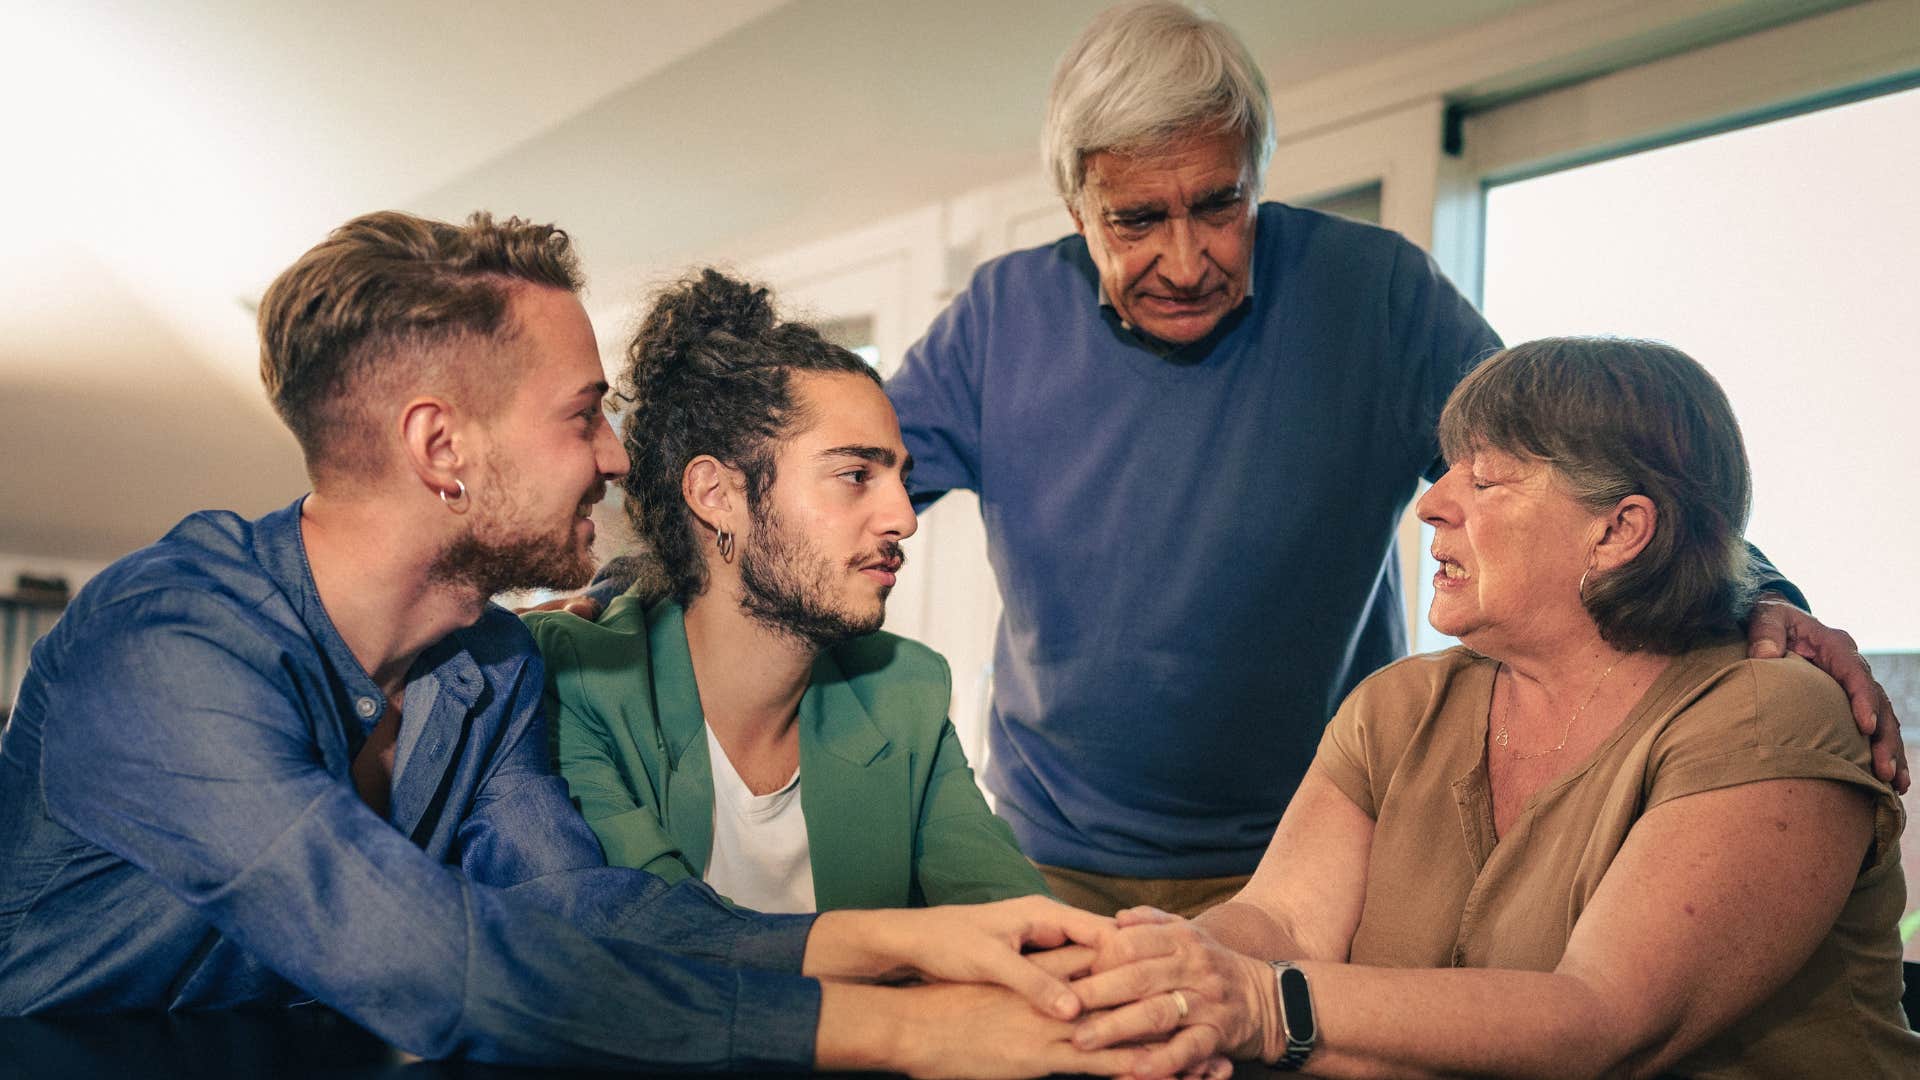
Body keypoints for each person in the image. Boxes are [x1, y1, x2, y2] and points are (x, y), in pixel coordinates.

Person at [0, 210, 1156, 1078]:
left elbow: (591, 910)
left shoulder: (488, 666)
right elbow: (427, 964)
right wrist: (904, 1027)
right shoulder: (164, 647)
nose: (615, 456)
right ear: (441, 447)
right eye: (581, 413)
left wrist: (920, 941)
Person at [881, 0, 1906, 916]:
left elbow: (1586, 475)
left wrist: (1755, 587)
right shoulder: (998, 320)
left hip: (1315, 847)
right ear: (1076, 209)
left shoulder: (1374, 296)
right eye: (1138, 219)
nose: (1187, 260)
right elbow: (845, 490)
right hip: (1049, 851)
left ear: (1258, 180)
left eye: (1220, 206)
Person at [1062, 338, 1919, 1078]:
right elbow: (1285, 919)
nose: (1433, 502)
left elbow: (1603, 1022)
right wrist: (1158, 972)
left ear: (1619, 532)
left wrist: (1261, 1001)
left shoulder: (1770, 717)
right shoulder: (1400, 706)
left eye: (1488, 480)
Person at [527, 269, 1044, 912]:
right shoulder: (574, 681)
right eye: (856, 474)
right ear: (717, 495)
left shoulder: (904, 690)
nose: (906, 518)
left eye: (899, 478)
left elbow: (1008, 913)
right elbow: (659, 946)